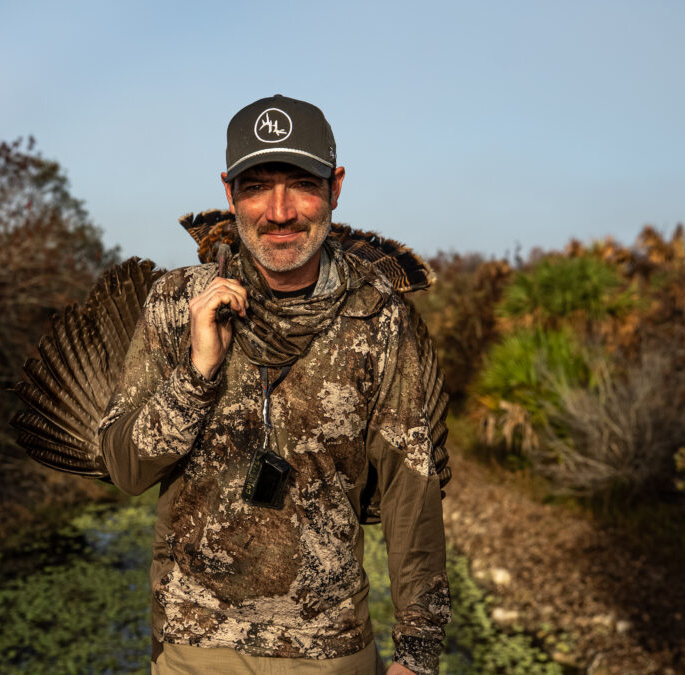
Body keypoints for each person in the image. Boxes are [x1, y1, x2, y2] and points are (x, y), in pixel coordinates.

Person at [99, 94, 451, 675]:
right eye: (257, 185)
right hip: (196, 646)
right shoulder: (174, 302)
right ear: (229, 190)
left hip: (333, 650)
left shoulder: (383, 317)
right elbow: (126, 470)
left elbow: (410, 495)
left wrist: (417, 654)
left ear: (335, 188)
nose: (280, 211)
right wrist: (197, 373)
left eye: (302, 184)